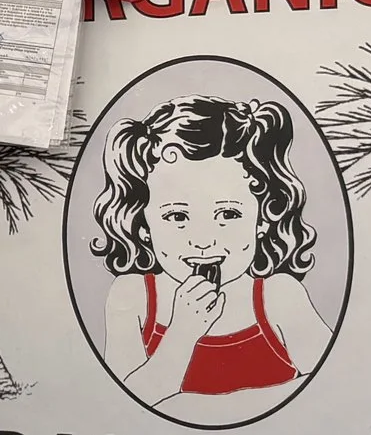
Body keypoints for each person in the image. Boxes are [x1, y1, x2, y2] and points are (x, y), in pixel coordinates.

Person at [90, 95, 332, 416]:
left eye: (228, 214)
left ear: (263, 217)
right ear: (142, 223)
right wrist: (182, 335)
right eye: (177, 216)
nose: (203, 241)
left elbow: (335, 387)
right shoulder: (132, 297)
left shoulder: (280, 297)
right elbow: (117, 409)